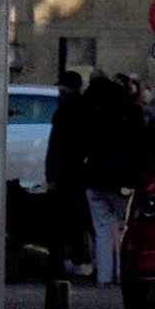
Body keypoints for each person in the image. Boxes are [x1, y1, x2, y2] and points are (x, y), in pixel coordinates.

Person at [79, 74, 144, 285]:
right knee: (123, 228)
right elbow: (138, 149)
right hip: (121, 180)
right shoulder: (132, 114)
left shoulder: (92, 115)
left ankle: (104, 275)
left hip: (95, 178)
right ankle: (120, 272)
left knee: (102, 228)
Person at [43, 71, 90, 277]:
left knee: (60, 222)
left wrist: (51, 176)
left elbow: (55, 147)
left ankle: (58, 264)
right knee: (78, 221)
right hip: (81, 173)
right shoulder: (88, 110)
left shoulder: (63, 113)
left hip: (64, 173)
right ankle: (79, 260)